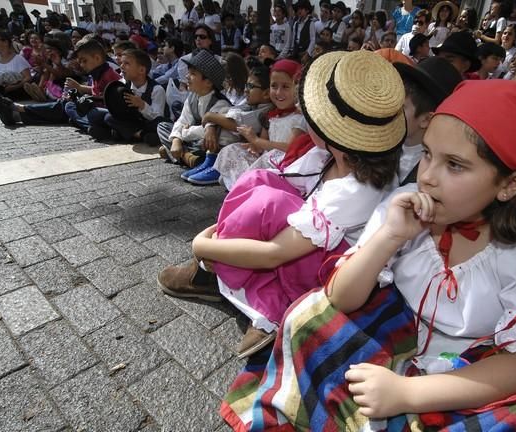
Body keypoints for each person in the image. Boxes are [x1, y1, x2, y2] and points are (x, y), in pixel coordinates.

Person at [221, 79, 516, 432]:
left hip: (479, 367)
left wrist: (407, 393)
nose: (428, 176)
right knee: (307, 316)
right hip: (394, 330)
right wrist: (389, 237)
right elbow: (341, 297)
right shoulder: (407, 203)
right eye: (428, 154)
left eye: (455, 165)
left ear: (511, 184)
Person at [157, 50, 406, 359]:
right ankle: (218, 268)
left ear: (329, 129)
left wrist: (202, 244)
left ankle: (259, 300)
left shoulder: (355, 189)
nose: (301, 113)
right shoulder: (329, 157)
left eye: (309, 110)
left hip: (330, 272)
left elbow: (275, 253)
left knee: (269, 200)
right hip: (305, 248)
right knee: (263, 181)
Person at [211, 59, 303, 188]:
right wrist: (254, 146)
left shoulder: (299, 118)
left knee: (265, 162)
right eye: (274, 86)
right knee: (231, 150)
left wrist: (256, 140)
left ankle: (243, 186)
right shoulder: (270, 115)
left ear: (298, 88)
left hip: (285, 162)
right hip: (267, 158)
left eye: (285, 87)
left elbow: (290, 148)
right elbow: (262, 145)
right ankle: (242, 186)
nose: (278, 92)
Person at [0, 39, 120, 129]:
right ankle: (16, 114)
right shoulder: (98, 72)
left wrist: (81, 94)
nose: (81, 65)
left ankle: (19, 110)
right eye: (80, 61)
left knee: (67, 107)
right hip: (91, 107)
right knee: (62, 107)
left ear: (97, 58)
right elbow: (95, 90)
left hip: (99, 111)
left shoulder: (108, 73)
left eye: (84, 61)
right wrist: (79, 89)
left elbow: (108, 97)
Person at [394, 57, 462, 185]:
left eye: (401, 108)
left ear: (426, 119)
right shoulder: (385, 145)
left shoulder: (431, 174)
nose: (390, 111)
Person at [156, 49, 231, 168]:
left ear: (208, 82)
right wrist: (176, 140)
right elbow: (182, 120)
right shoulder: (192, 97)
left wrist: (185, 132)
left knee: (212, 139)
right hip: (193, 141)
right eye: (188, 73)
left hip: (206, 145)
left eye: (193, 74)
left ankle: (179, 154)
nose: (187, 76)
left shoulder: (220, 103)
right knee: (163, 126)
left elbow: (207, 131)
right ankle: (187, 156)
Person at [87, 48, 167, 144]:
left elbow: (158, 116)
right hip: (130, 121)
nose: (121, 66)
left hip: (147, 123)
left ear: (141, 70)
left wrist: (142, 105)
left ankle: (118, 133)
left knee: (160, 123)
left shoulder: (156, 89)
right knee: (104, 116)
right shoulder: (122, 84)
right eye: (121, 63)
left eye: (127, 64)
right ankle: (140, 134)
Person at [0, 30, 30, 98]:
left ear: (5, 42)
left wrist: (14, 87)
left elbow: (28, 78)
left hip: (14, 87)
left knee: (2, 74)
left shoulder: (18, 59)